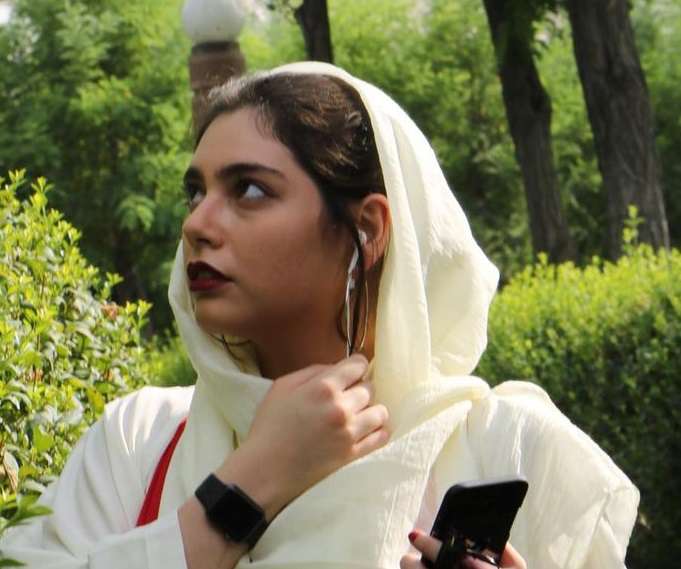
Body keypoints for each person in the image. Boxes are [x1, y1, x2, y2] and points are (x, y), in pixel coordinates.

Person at [0, 62, 638, 569]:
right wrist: (249, 486)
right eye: (196, 192)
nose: (196, 224)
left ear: (368, 229)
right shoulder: (138, 441)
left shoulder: (511, 451)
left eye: (249, 190)